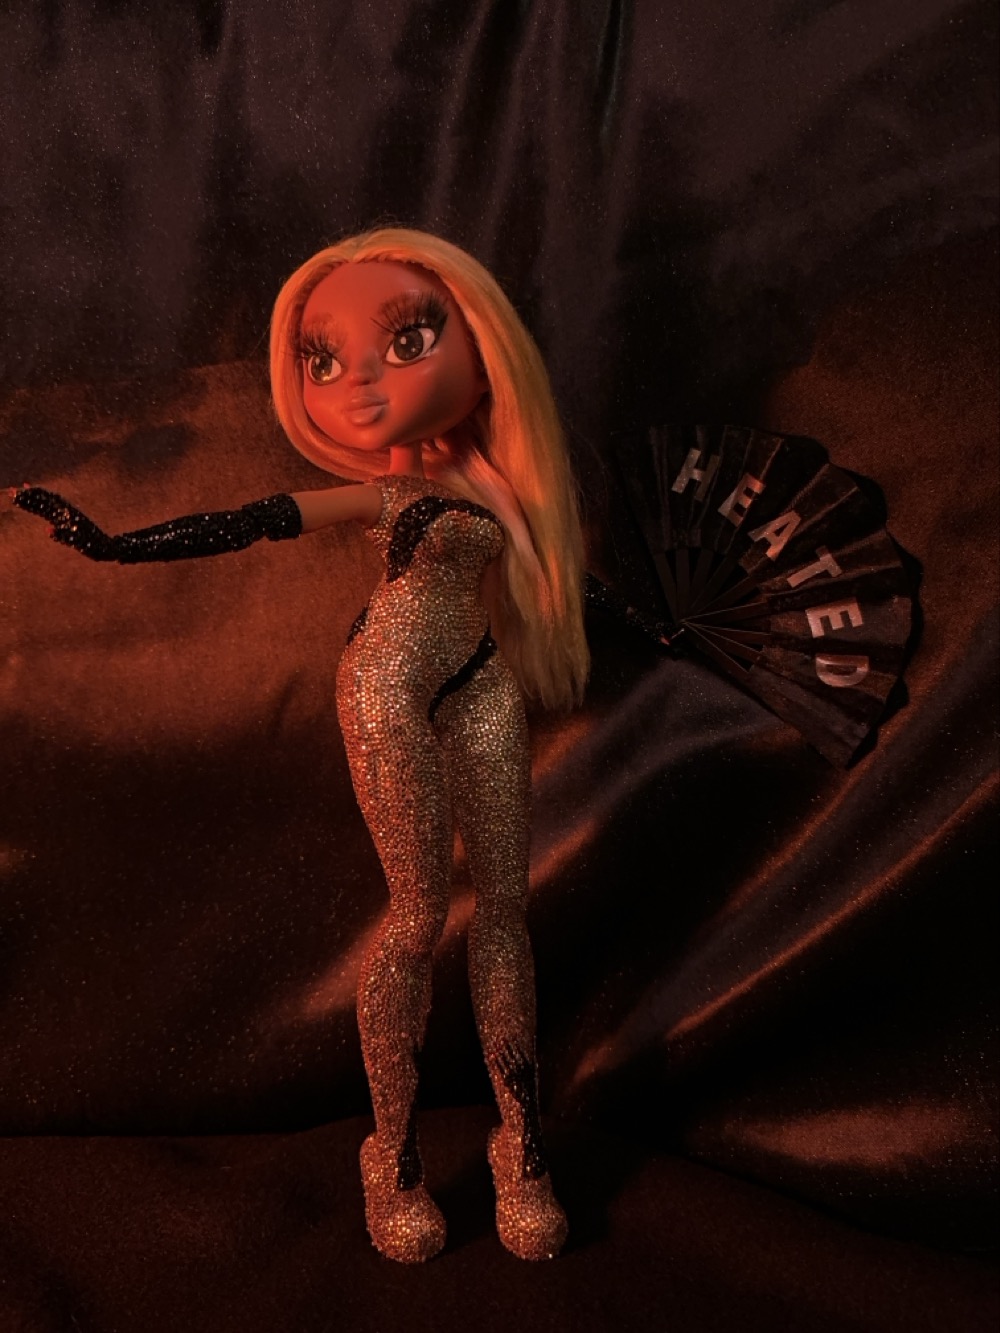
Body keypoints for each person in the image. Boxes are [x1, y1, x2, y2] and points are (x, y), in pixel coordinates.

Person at [13, 227, 590, 1263]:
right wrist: (114, 542)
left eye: (405, 341)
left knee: (506, 908)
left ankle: (523, 1145)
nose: (358, 383)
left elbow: (554, 579)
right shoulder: (388, 496)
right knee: (417, 914)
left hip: (479, 680)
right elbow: (251, 520)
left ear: (484, 351)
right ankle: (394, 1155)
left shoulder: (506, 488)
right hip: (385, 685)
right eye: (324, 360)